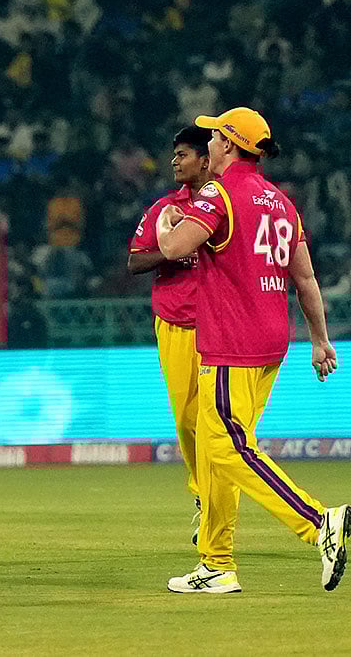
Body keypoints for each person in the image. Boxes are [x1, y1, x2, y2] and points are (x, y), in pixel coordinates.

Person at [157, 107, 346, 593]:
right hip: (270, 343)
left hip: (229, 344)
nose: (210, 142)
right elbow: (303, 277)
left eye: (216, 134)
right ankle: (217, 564)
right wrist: (320, 339)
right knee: (221, 450)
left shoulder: (220, 194)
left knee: (226, 446)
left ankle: (318, 523)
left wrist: (169, 221)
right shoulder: (282, 203)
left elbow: (176, 248)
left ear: (229, 145)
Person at [128, 126, 212, 545]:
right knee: (186, 418)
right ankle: (203, 498)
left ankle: (214, 505)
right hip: (177, 321)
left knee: (219, 421)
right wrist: (175, 245)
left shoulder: (225, 204)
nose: (174, 162)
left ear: (205, 159)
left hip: (222, 322)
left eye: (182, 155)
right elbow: (134, 261)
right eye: (173, 155)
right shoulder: (164, 209)